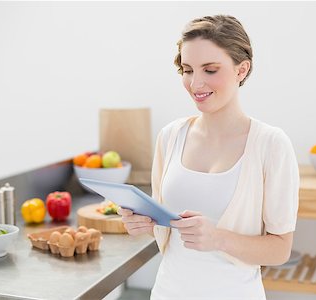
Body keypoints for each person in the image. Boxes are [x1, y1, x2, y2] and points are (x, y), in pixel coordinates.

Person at [118, 15, 299, 300]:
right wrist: (141, 223)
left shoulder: (270, 144)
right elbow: (161, 222)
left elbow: (280, 249)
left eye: (210, 70)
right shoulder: (170, 136)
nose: (196, 83)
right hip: (168, 292)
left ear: (242, 70)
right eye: (187, 70)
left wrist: (218, 238)